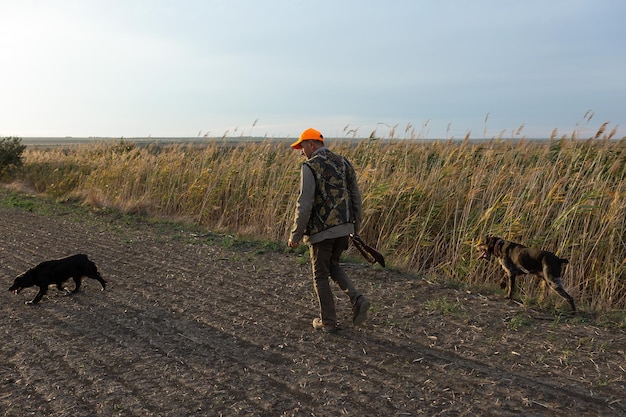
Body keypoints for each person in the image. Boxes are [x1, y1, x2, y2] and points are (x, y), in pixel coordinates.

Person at [288, 128, 370, 333]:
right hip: (344, 228)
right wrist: (355, 227)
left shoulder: (310, 166)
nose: (301, 152)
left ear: (312, 145)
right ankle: (357, 298)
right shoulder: (344, 162)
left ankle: (328, 322)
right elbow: (356, 197)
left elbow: (304, 203)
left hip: (322, 232)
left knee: (320, 275)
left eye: (302, 147)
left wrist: (295, 234)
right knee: (332, 265)